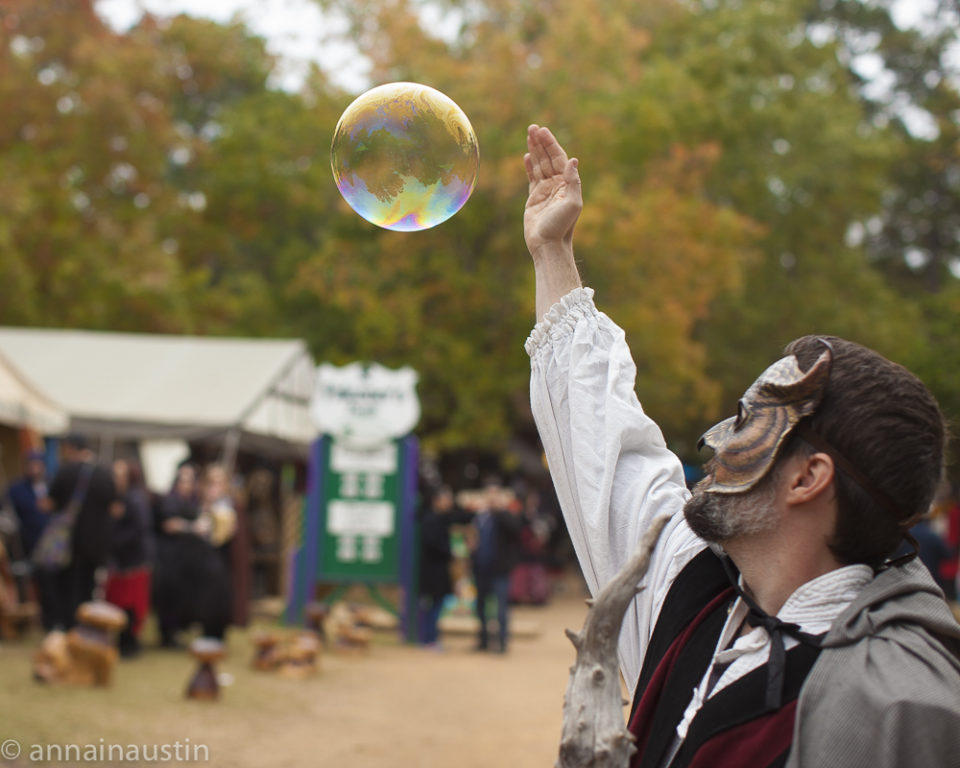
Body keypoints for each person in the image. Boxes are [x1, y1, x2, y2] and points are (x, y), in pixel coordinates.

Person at [522, 124, 960, 767]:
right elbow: (604, 445)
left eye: (749, 420)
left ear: (808, 477)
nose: (715, 440)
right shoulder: (697, 592)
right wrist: (551, 249)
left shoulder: (900, 710)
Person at [36, 435, 116, 630]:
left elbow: (48, 504)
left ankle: (69, 626)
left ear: (71, 448)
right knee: (88, 587)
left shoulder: (66, 471)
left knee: (67, 587)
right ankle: (86, 627)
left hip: (68, 544)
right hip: (96, 544)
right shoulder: (104, 473)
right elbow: (114, 508)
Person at [104, 458, 153, 657]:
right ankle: (123, 640)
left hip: (133, 562)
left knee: (132, 604)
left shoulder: (135, 499)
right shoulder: (120, 498)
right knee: (119, 602)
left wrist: (115, 541)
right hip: (121, 562)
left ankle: (130, 643)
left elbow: (138, 529)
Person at [470, 480, 522, 653]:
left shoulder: (505, 516)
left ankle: (502, 642)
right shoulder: (481, 517)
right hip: (481, 569)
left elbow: (515, 529)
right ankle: (483, 640)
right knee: (481, 607)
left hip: (499, 570)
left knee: (501, 608)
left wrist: (500, 509)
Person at [417, 485, 469, 648]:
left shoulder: (442, 518)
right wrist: (450, 552)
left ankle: (430, 637)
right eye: (446, 499)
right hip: (432, 571)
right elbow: (433, 544)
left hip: (438, 570)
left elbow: (461, 518)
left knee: (437, 605)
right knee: (433, 605)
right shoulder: (430, 519)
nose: (449, 503)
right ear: (436, 501)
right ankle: (429, 638)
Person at [7, 450, 49, 558]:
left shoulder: (52, 485)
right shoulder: (16, 489)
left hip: (49, 541)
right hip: (27, 541)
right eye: (31, 465)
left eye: (37, 465)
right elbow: (6, 510)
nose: (34, 469)